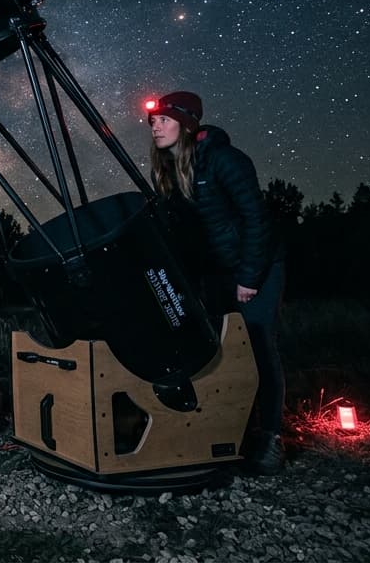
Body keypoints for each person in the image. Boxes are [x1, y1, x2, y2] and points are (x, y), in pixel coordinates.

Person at [147, 91, 287, 475]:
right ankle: (232, 430)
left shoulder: (226, 159)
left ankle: (271, 438)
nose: (154, 126)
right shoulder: (169, 171)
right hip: (218, 274)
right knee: (218, 351)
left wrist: (248, 277)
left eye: (163, 119)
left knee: (258, 346)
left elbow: (257, 219)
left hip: (255, 267)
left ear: (187, 123)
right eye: (152, 121)